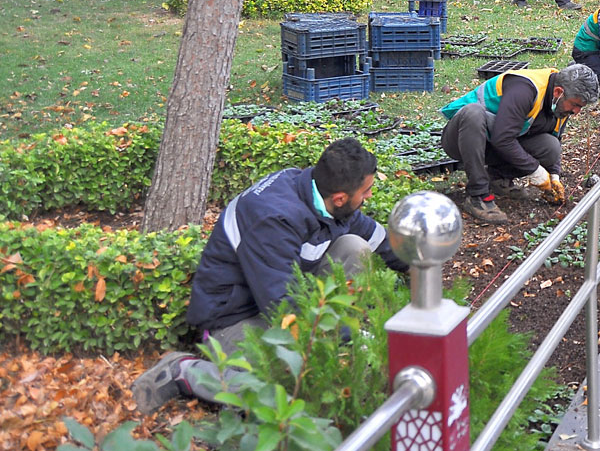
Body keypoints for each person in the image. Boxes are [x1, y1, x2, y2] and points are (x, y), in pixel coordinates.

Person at [130, 139, 408, 413]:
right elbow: (282, 308)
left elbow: (373, 236)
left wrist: (415, 265)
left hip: (283, 296)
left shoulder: (319, 194)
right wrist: (354, 338)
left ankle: (327, 343)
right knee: (283, 384)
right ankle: (184, 371)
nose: (369, 196)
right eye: (367, 191)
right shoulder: (273, 220)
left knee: (354, 248)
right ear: (340, 198)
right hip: (233, 318)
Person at [440, 64, 599, 223]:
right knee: (473, 113)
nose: (576, 111)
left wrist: (554, 176)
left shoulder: (561, 102)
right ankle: (478, 196)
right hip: (462, 138)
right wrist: (535, 170)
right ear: (558, 92)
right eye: (576, 105)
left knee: (551, 147)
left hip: (494, 144)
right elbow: (503, 139)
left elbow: (555, 139)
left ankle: (497, 178)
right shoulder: (525, 89)